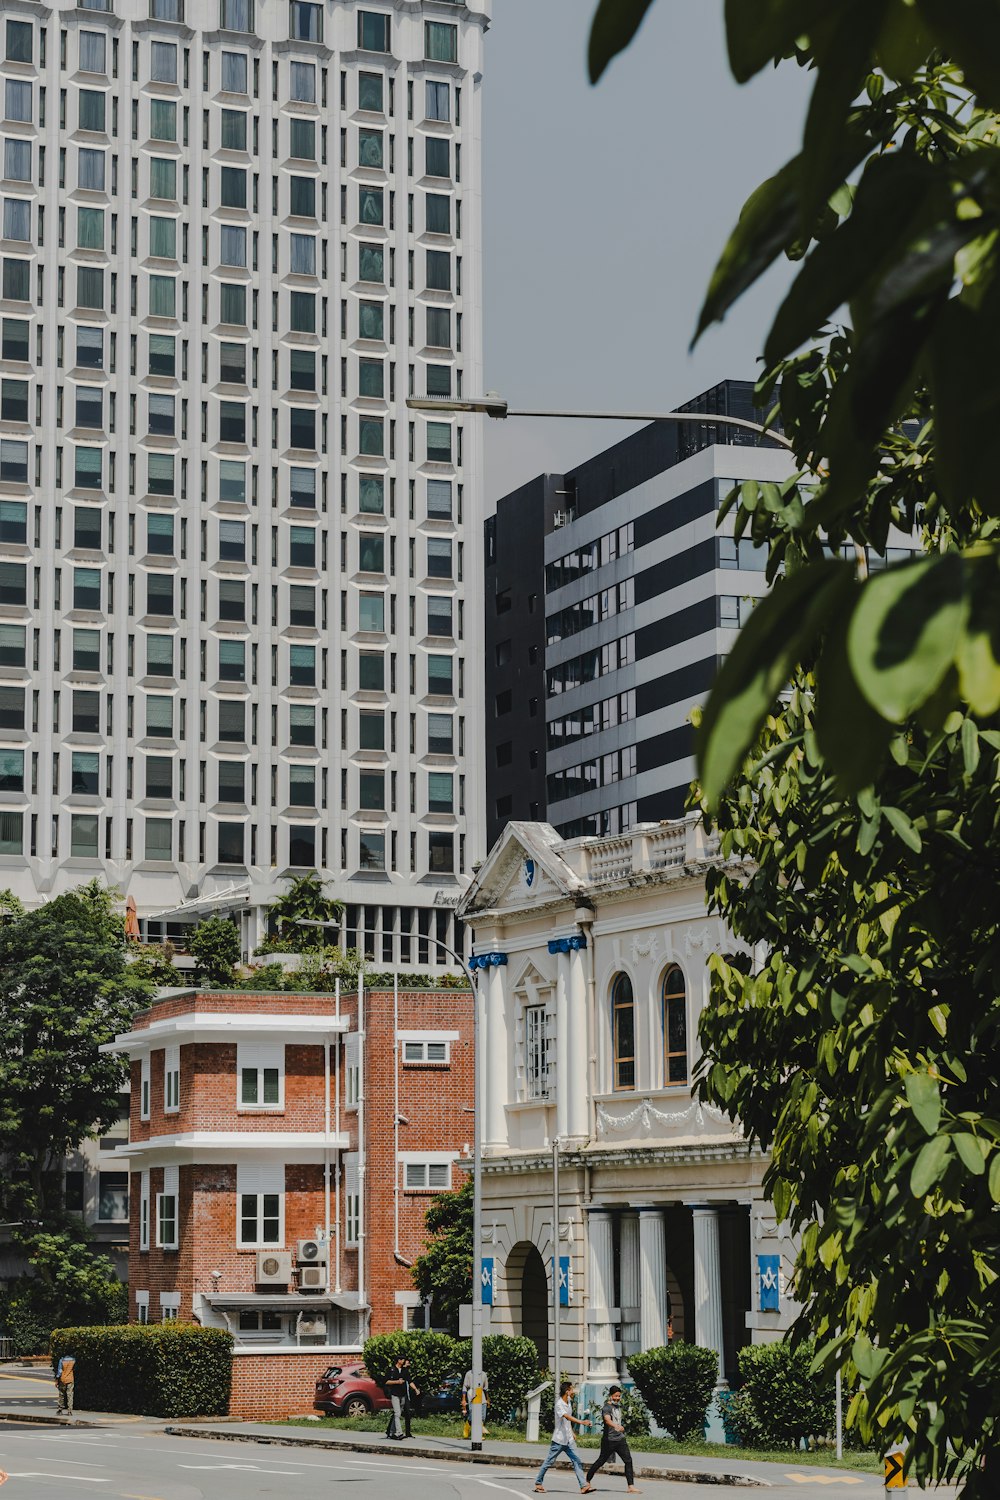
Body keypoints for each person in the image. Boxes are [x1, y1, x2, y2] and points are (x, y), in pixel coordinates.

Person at [533, 1380, 594, 1493]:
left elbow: (568, 1420)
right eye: (571, 1389)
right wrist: (581, 1422)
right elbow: (566, 1417)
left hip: (569, 1439)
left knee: (577, 1460)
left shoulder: (569, 1401)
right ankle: (538, 1483)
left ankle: (583, 1486)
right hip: (559, 1439)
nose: (573, 1391)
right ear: (567, 1391)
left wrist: (572, 1432)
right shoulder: (559, 1404)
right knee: (549, 1461)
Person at [586, 1385, 639, 1493]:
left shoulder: (617, 1407)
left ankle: (631, 1486)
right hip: (609, 1440)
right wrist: (617, 1426)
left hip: (620, 1440)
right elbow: (607, 1420)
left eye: (619, 1396)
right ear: (611, 1396)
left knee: (628, 1460)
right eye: (615, 1396)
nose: (617, 1398)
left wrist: (620, 1428)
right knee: (601, 1461)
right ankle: (587, 1481)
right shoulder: (607, 1407)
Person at [384, 1355, 420, 1439]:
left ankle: (391, 1432)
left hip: (403, 1395)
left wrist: (415, 1389)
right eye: (402, 1359)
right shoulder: (391, 1370)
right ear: (398, 1360)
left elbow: (409, 1381)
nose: (404, 1361)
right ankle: (399, 1433)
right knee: (397, 1413)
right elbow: (386, 1381)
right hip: (394, 1394)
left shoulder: (404, 1371)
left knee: (398, 1413)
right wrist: (397, 1382)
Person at [461, 1367, 489, 1435]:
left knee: (483, 1415)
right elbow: (465, 1387)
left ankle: (475, 1429)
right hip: (472, 1394)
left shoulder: (483, 1374)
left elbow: (486, 1388)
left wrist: (487, 1399)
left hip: (481, 1394)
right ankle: (476, 1433)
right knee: (473, 1414)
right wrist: (464, 1399)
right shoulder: (469, 1373)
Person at [55, 1352, 76, 1417]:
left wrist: (57, 1380)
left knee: (61, 1394)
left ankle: (60, 1409)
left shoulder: (62, 1360)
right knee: (70, 1395)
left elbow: (59, 1371)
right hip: (70, 1379)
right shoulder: (73, 1360)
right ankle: (69, 1411)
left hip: (63, 1379)